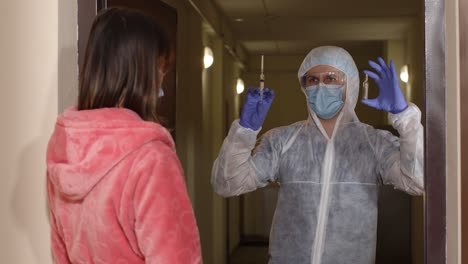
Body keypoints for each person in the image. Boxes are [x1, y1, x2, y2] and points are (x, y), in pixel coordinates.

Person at [211, 46, 423, 264]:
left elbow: (417, 181)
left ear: (349, 85)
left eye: (331, 78)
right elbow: (228, 184)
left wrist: (403, 115)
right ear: (304, 86)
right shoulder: (283, 141)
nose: (320, 86)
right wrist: (244, 131)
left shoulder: (373, 143)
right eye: (312, 80)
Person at [46, 8, 201, 263]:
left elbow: (61, 253)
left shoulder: (64, 149)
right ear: (142, 71)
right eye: (161, 69)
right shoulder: (151, 159)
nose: (161, 84)